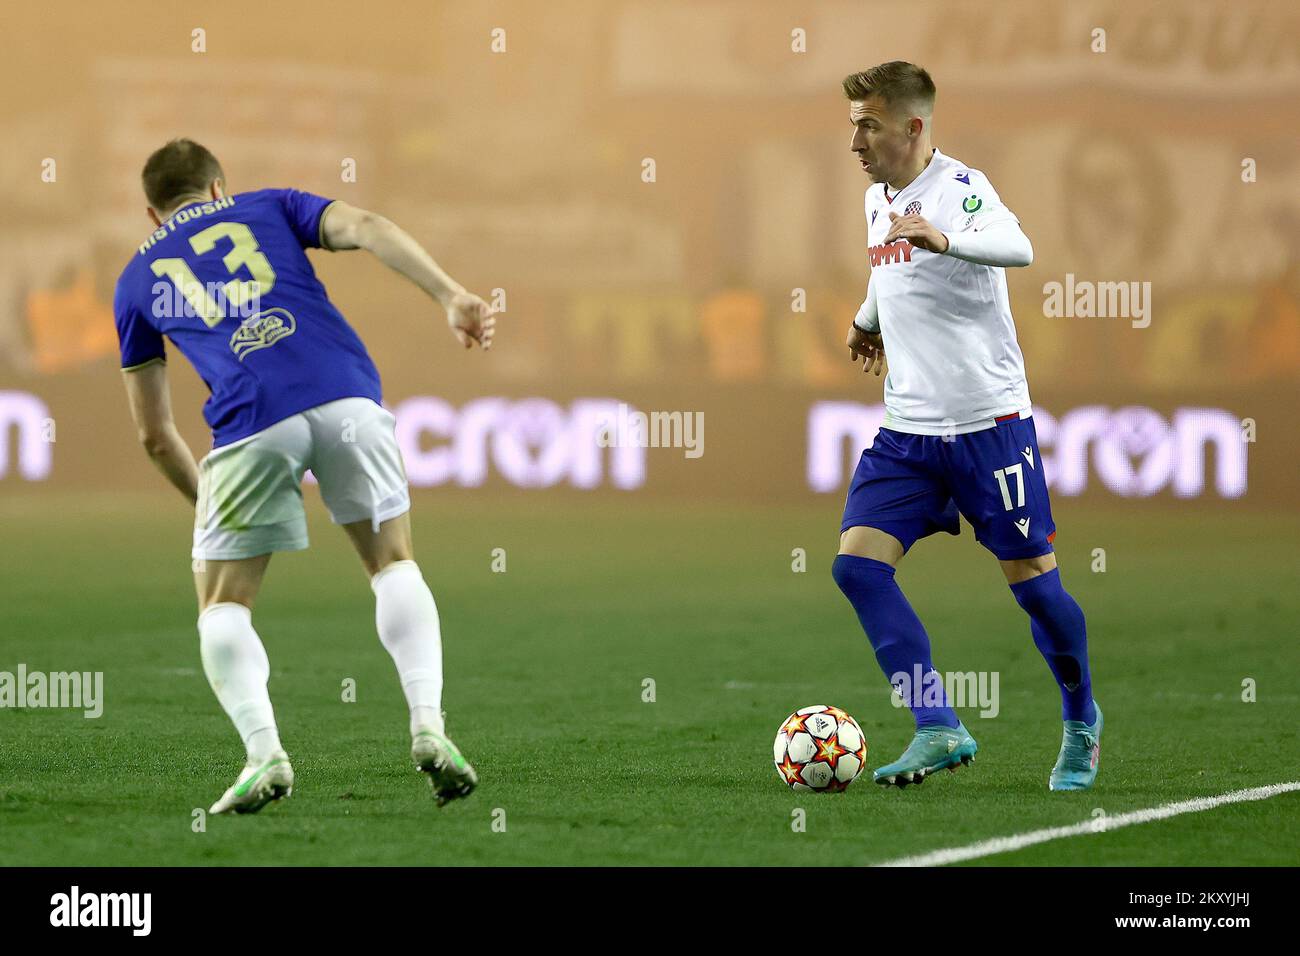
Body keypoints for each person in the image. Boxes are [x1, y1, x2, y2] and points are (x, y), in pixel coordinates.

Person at [113, 139, 495, 812]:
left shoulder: (134, 282)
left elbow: (153, 434)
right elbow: (370, 228)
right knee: (393, 564)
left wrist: (212, 507)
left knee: (223, 607)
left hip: (251, 422)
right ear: (217, 188)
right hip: (347, 395)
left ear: (152, 212)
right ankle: (429, 725)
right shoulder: (268, 205)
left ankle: (265, 755)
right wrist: (452, 295)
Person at [834, 63, 1102, 791]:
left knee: (1036, 590)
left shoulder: (960, 189)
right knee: (857, 567)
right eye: (855, 123)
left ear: (913, 128)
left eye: (869, 124)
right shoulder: (876, 199)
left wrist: (947, 240)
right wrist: (868, 319)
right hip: (909, 430)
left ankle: (1081, 722)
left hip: (987, 426)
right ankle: (937, 725)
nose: (855, 139)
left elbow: (1019, 245)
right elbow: (887, 270)